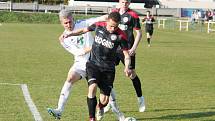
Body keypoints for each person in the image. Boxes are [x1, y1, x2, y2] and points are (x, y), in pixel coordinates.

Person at [67, 11, 131, 121]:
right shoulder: (99, 25)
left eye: (115, 27)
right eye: (111, 26)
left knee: (105, 100)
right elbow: (83, 30)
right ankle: (92, 118)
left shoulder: (121, 36)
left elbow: (126, 55)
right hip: (93, 64)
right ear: (107, 21)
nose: (112, 29)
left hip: (108, 69)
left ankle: (100, 107)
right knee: (92, 87)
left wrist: (127, 67)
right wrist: (70, 34)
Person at [47, 9, 107, 120]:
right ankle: (59, 110)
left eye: (70, 21)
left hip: (96, 61)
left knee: (106, 92)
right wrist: (96, 46)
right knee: (70, 78)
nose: (68, 24)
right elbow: (78, 52)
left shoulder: (82, 24)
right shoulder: (63, 39)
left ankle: (105, 108)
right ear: (61, 23)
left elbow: (97, 20)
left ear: (73, 19)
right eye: (65, 23)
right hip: (81, 62)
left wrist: (109, 16)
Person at [103, 0, 145, 119]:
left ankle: (140, 98)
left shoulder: (133, 15)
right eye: (122, 2)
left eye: (127, 2)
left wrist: (133, 48)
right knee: (107, 74)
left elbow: (139, 33)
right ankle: (109, 102)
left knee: (131, 74)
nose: (124, 4)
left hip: (127, 49)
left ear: (129, 3)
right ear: (119, 2)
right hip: (113, 49)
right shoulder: (114, 13)